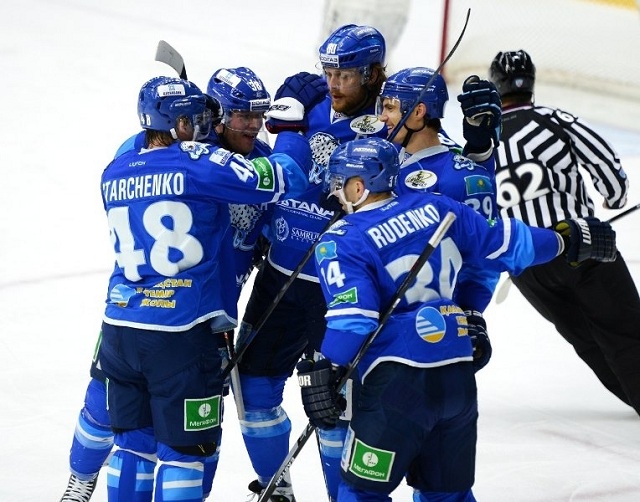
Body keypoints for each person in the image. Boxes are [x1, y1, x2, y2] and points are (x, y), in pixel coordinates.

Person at [296, 136, 617, 502]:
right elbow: (506, 243)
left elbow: (355, 319)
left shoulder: (341, 239)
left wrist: (326, 367)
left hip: (396, 386)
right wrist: (565, 240)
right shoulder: (438, 207)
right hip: (457, 378)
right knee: (448, 495)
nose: (334, 193)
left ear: (359, 186)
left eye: (339, 184)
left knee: (361, 493)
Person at [59, 68, 279, 502]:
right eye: (241, 115)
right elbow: (275, 180)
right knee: (132, 421)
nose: (253, 124)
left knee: (175, 435)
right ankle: (80, 480)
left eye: (259, 115)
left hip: (180, 316)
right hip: (183, 323)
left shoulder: (127, 164)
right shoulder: (191, 159)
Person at [237, 24, 389, 502]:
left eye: (345, 75)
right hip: (281, 276)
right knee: (251, 387)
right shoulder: (309, 106)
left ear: (372, 74)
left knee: (332, 406)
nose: (334, 83)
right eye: (329, 72)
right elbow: (254, 152)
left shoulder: (392, 120)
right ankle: (277, 489)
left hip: (342, 286)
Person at [488, 49, 640, 416]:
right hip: (582, 245)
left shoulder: (482, 143)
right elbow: (603, 159)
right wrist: (614, 196)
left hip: (527, 264)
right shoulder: (553, 120)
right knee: (625, 334)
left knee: (587, 341)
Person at [376, 66, 502, 369]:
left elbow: (485, 254)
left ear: (418, 112)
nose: (382, 117)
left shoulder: (459, 177)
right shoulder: (380, 155)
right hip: (375, 316)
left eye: (390, 108)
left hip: (429, 325)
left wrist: (470, 311)